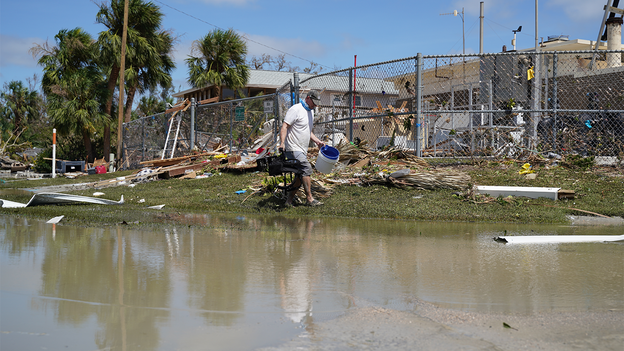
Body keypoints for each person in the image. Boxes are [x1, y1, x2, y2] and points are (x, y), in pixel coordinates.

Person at [278, 90, 325, 207]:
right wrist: (282, 143)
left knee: (300, 175)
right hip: (293, 148)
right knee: (306, 168)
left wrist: (317, 141)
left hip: (302, 149)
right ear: (308, 98)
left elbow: (307, 131)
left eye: (316, 103)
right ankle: (309, 199)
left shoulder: (310, 112)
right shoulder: (296, 109)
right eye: (313, 102)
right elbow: (284, 126)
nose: (315, 105)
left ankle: (288, 201)